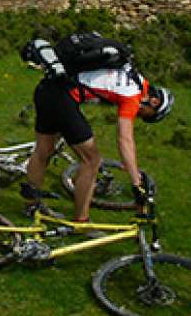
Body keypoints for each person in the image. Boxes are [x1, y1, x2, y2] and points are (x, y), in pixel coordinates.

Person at [20, 35, 173, 223]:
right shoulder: (133, 96)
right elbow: (125, 139)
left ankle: (30, 206)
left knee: (43, 151)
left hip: (47, 89)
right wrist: (136, 182)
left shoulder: (131, 74)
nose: (140, 117)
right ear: (154, 101)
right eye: (147, 115)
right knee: (91, 160)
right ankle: (81, 221)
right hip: (62, 98)